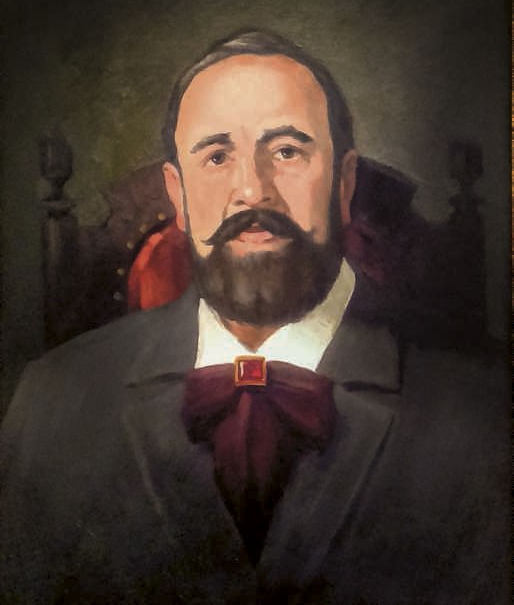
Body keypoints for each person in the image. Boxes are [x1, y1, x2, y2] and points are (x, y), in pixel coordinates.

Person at [0, 31, 509, 604]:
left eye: (287, 151)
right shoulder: (49, 402)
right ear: (179, 196)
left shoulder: (489, 408)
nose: (251, 191)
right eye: (216, 157)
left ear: (344, 184)